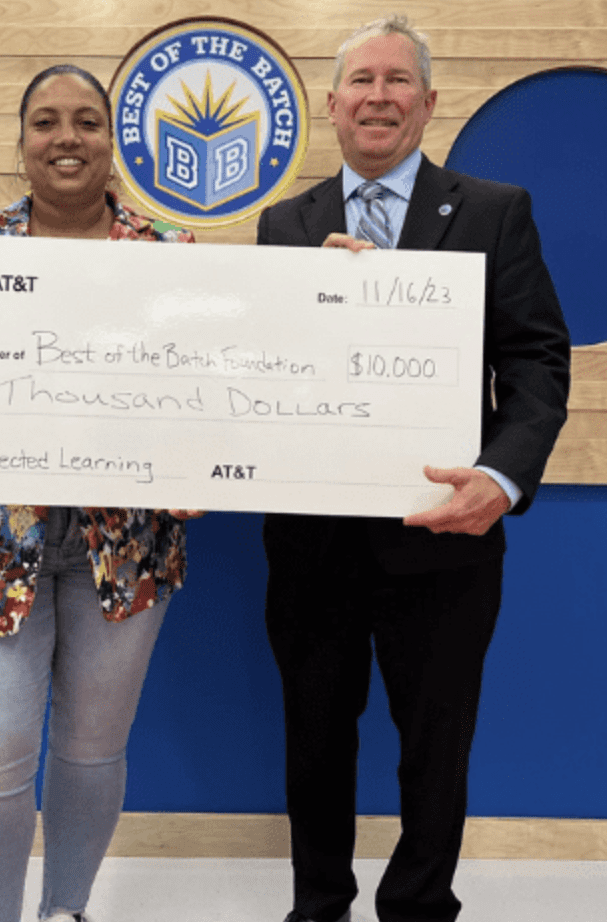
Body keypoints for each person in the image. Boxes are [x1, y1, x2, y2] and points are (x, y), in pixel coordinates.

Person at [257, 16, 570, 922]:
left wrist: (501, 480)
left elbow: (539, 362)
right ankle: (318, 905)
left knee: (436, 744)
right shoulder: (287, 225)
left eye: (399, 81)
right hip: (312, 548)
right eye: (361, 81)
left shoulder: (492, 209)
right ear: (332, 103)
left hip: (446, 538)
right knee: (313, 741)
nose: (379, 97)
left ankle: (422, 905)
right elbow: (258, 374)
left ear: (429, 104)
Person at [0, 64, 201, 922]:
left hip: (124, 550)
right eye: (46, 122)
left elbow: (204, 394)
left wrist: (201, 462)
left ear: (112, 141)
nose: (66, 137)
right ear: (20, 145)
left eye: (86, 121)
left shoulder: (171, 258)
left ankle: (67, 912)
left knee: (94, 751)